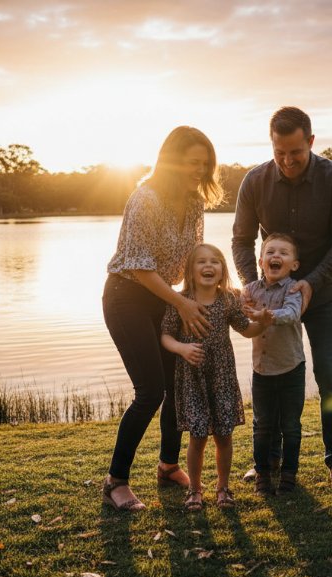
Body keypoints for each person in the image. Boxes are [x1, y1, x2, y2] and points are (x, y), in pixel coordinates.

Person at [232, 106, 332, 488]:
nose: (287, 161)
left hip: (325, 293)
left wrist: (311, 282)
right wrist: (252, 285)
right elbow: (241, 239)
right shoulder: (255, 181)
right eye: (279, 153)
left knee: (330, 374)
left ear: (311, 141)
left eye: (296, 153)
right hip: (271, 299)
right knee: (270, 373)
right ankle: (268, 461)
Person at [101, 126, 224, 511]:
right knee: (150, 391)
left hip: (165, 299)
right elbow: (140, 268)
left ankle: (169, 466)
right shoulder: (145, 199)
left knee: (178, 385)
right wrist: (182, 305)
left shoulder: (194, 203)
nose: (199, 171)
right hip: (126, 297)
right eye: (193, 163)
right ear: (171, 162)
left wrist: (213, 295)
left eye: (205, 165)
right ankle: (115, 481)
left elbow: (193, 260)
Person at [161, 244, 272, 511]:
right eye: (201, 262)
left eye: (215, 261)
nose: (208, 266)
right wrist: (182, 349)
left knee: (224, 435)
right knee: (197, 436)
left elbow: (246, 329)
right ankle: (195, 490)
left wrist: (264, 322)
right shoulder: (180, 301)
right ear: (190, 270)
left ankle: (223, 488)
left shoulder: (228, 300)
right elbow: (165, 336)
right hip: (193, 378)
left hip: (222, 376)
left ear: (223, 269)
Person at [242, 233, 305, 495]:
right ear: (261, 261)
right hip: (262, 370)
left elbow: (291, 313)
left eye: (283, 253)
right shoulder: (251, 290)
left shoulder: (294, 289)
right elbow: (239, 310)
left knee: (290, 426)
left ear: (294, 264)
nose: (275, 256)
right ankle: (263, 474)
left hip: (291, 368)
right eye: (270, 252)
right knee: (262, 425)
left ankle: (289, 475)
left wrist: (265, 316)